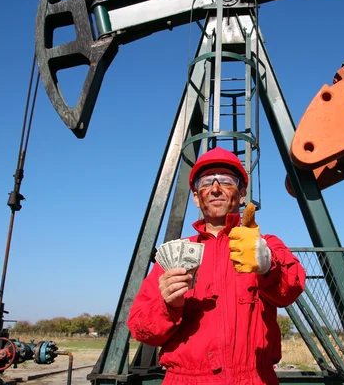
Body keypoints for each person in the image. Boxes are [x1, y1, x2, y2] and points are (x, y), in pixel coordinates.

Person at [127, 146, 306, 385]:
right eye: (205, 182)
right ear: (195, 197)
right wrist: (167, 305)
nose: (214, 188)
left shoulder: (265, 244)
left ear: (242, 194)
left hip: (255, 378)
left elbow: (291, 288)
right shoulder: (176, 254)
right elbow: (142, 330)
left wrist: (268, 265)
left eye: (225, 180)